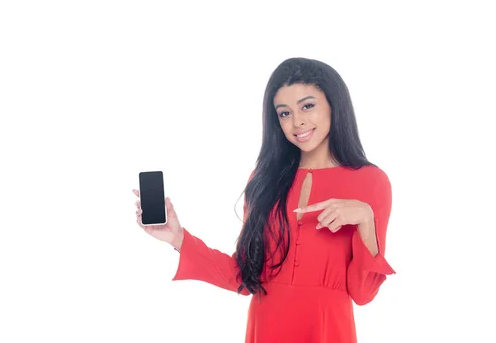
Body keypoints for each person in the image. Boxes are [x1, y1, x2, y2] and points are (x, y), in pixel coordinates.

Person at [132, 57, 395, 342]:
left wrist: (365, 220)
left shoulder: (370, 182)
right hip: (266, 327)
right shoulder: (264, 178)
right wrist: (178, 238)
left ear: (334, 104)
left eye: (308, 106)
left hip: (328, 329)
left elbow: (364, 293)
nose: (298, 122)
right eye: (284, 113)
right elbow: (243, 277)